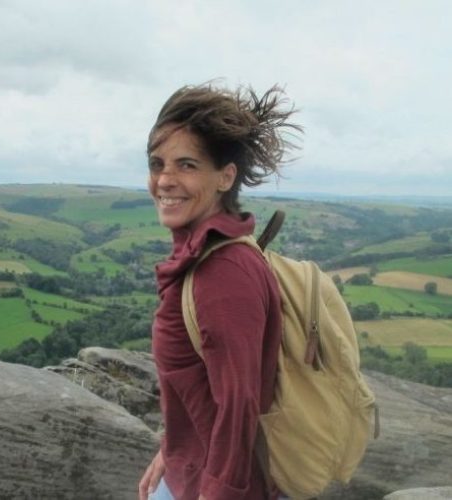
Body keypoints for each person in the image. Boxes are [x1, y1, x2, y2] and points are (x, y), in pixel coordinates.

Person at [138, 83, 301, 500]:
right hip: (189, 469)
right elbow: (201, 387)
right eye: (157, 164)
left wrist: (218, 493)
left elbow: (240, 404)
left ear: (225, 177)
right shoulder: (202, 257)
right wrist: (173, 447)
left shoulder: (223, 272)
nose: (165, 180)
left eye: (187, 165)